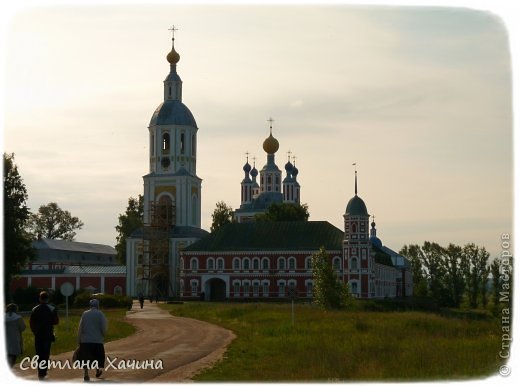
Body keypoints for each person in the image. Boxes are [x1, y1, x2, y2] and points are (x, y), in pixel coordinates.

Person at [30, 291, 59, 380]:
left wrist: (35, 331)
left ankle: (40, 372)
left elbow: (31, 323)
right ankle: (43, 371)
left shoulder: (34, 309)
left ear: (40, 298)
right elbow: (56, 321)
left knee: (39, 353)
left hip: (38, 335)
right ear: (48, 299)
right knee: (45, 353)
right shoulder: (52, 308)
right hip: (48, 334)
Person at [77, 299, 107, 381]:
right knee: (97, 357)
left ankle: (86, 374)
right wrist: (104, 334)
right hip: (97, 340)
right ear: (98, 305)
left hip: (86, 340)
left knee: (86, 358)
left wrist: (79, 340)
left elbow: (80, 327)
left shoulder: (85, 314)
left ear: (90, 305)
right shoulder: (100, 314)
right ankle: (97, 370)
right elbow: (103, 327)